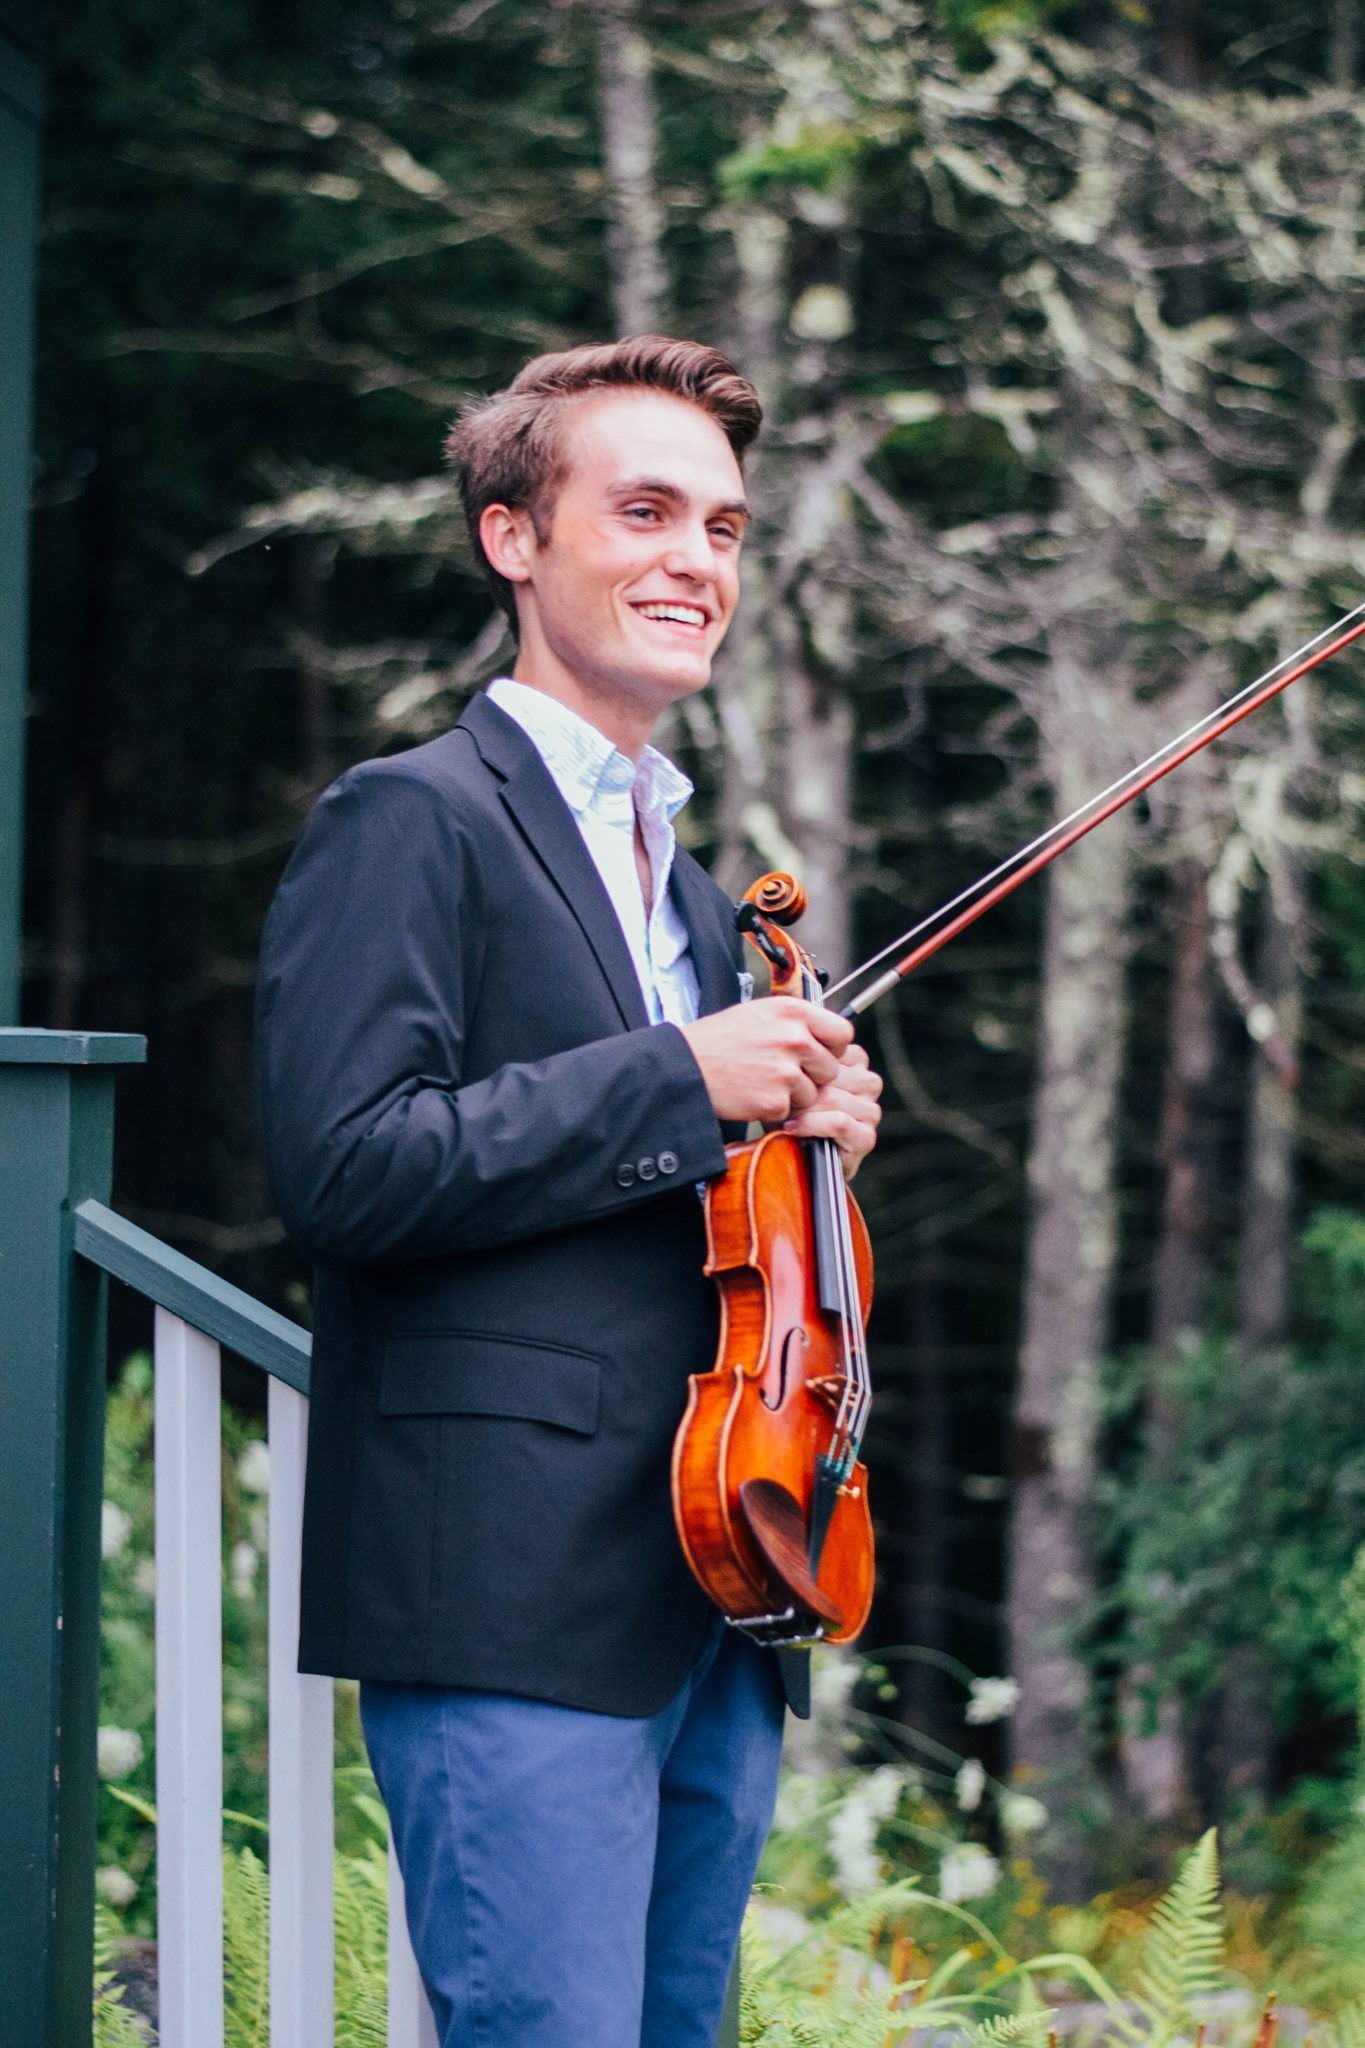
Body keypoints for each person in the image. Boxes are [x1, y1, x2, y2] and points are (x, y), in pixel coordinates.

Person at [254, 335, 882, 2048]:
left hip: (720, 1567)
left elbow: (662, 1190)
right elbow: (346, 1167)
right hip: (511, 1589)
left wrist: (803, 1133)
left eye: (727, 528)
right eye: (648, 510)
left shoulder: (690, 882)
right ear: (514, 538)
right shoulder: (407, 820)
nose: (696, 558)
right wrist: (688, 1075)